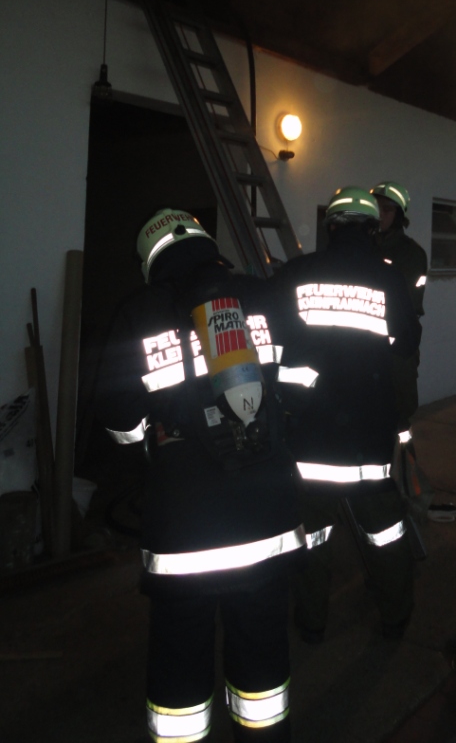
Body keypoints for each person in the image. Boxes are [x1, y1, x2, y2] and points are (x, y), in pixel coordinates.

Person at [99, 208, 304, 742]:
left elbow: (119, 421)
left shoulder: (138, 313)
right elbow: (305, 379)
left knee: (180, 657)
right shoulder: (263, 296)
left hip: (184, 530)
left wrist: (155, 438)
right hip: (266, 518)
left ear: (152, 260)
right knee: (261, 650)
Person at [269, 187, 422, 642]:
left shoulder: (297, 273)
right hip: (368, 431)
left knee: (312, 535)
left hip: (309, 430)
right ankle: (395, 615)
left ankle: (312, 621)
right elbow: (407, 344)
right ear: (373, 229)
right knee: (385, 532)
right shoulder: (388, 278)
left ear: (331, 226)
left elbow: (272, 339)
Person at [370, 181, 428, 430]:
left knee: (399, 410)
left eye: (387, 210)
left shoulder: (411, 253)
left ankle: (403, 452)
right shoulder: (364, 246)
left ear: (399, 216)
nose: (380, 215)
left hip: (398, 344)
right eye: (377, 209)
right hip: (366, 344)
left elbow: (404, 303)